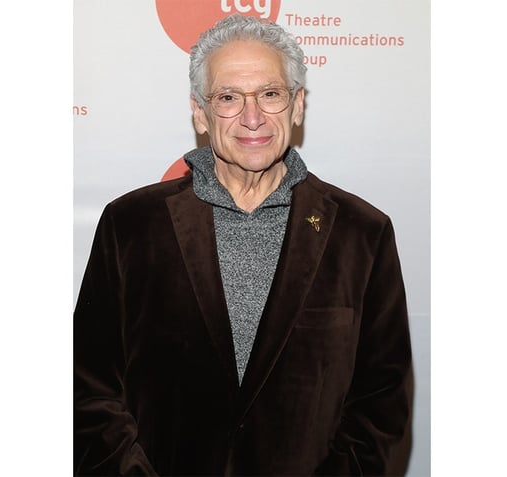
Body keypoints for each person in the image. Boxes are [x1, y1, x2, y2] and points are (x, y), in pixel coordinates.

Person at [74, 14, 413, 476]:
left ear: (296, 105)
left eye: (269, 94)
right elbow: (87, 388)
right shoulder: (131, 225)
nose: (252, 117)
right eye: (228, 98)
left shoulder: (362, 233)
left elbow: (381, 405)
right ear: (200, 111)